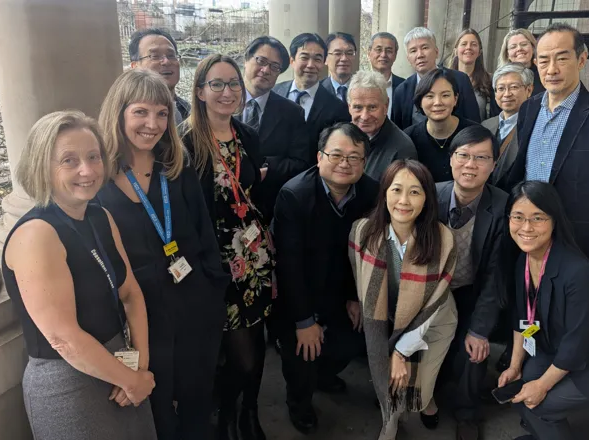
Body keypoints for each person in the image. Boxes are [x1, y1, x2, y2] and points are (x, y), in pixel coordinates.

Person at [2, 110, 157, 440]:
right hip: (68, 381)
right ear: (42, 166)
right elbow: (63, 338)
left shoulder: (100, 217)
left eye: (93, 157)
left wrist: (139, 364)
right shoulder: (37, 234)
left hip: (120, 363)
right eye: (69, 161)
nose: (87, 171)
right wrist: (132, 381)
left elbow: (130, 292)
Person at [96, 69, 230, 440]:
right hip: (140, 314)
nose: (152, 124)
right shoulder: (97, 183)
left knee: (197, 399)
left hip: (193, 303)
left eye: (162, 113)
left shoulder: (177, 166)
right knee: (154, 407)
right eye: (141, 112)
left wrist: (212, 291)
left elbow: (204, 233)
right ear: (119, 114)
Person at [498, 181, 589, 440]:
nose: (526, 228)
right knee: (524, 380)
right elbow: (522, 316)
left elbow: (576, 344)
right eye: (518, 217)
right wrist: (514, 365)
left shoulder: (577, 274)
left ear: (554, 220)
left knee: (538, 403)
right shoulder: (525, 259)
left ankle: (545, 425)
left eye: (538, 218)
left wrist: (543, 386)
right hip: (564, 346)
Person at [181, 54, 275, 440]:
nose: (227, 92)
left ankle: (247, 411)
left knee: (257, 337)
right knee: (238, 350)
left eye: (233, 83)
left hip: (253, 258)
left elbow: (254, 188)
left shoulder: (247, 134)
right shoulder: (183, 143)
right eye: (216, 84)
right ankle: (227, 415)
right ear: (200, 90)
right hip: (215, 264)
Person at [273, 123, 379, 435]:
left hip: (340, 289)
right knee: (302, 354)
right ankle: (299, 402)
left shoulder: (371, 192)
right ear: (319, 157)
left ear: (364, 163)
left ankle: (322, 374)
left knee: (353, 340)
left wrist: (355, 296)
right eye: (336, 154)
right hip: (298, 294)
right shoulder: (294, 195)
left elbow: (365, 251)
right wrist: (304, 321)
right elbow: (288, 265)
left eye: (354, 157)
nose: (345, 163)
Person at [504, 23, 589, 264]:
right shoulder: (529, 109)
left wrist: (585, 227)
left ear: (581, 59)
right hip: (526, 236)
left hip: (574, 242)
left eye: (561, 59)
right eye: (543, 61)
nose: (551, 69)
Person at [349, 159, 458, 440]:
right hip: (388, 318)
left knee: (419, 388)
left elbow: (436, 299)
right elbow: (357, 273)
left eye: (415, 192)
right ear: (384, 192)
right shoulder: (363, 231)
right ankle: (391, 420)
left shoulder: (442, 238)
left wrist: (400, 352)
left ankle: (426, 401)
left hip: (433, 321)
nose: (404, 201)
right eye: (396, 189)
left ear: (427, 198)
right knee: (393, 381)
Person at [435, 125, 508, 440]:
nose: (470, 165)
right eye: (463, 155)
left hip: (471, 294)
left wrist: (480, 330)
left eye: (481, 158)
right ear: (451, 159)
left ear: (493, 165)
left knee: (474, 352)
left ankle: (467, 413)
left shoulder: (504, 209)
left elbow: (495, 278)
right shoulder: (428, 195)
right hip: (429, 294)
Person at [240, 36, 310, 224]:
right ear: (246, 60)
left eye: (274, 66)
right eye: (261, 61)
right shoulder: (222, 102)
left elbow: (301, 162)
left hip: (269, 210)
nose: (266, 70)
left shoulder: (292, 113)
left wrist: (266, 168)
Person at [273, 33, 351, 165]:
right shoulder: (275, 92)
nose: (310, 65)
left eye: (317, 59)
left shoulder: (337, 108)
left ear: (324, 62)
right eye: (304, 57)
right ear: (292, 60)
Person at [392, 27, 481, 130]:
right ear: (408, 58)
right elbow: (399, 131)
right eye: (413, 51)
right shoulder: (402, 91)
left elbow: (473, 123)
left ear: (436, 52)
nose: (420, 55)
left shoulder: (460, 80)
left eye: (425, 48)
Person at [404, 69, 478, 183]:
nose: (438, 102)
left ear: (455, 99)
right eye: (430, 96)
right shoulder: (408, 138)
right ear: (420, 101)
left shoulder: (475, 134)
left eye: (445, 95)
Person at [347, 70, 417, 181]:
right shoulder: (340, 139)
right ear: (349, 107)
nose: (364, 116)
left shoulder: (402, 149)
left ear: (386, 106)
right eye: (358, 107)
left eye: (372, 107)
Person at [482, 63, 534, 189]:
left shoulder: (534, 126)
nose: (506, 94)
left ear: (529, 90)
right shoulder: (486, 125)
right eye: (500, 88)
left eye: (514, 87)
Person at [129, 28, 189, 125]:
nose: (166, 61)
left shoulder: (189, 112)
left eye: (171, 55)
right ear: (135, 66)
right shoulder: (126, 117)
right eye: (155, 56)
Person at [490, 28, 544, 117]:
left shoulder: (544, 75)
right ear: (507, 54)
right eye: (513, 47)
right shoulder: (499, 78)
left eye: (524, 44)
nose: (519, 49)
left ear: (533, 48)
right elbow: (495, 113)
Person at [449, 29, 493, 122]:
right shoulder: (444, 79)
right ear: (456, 51)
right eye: (464, 44)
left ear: (479, 52)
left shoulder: (489, 81)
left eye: (473, 44)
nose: (468, 47)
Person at [367, 32, 405, 118]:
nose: (383, 55)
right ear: (369, 53)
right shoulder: (357, 84)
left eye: (389, 51)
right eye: (378, 50)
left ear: (395, 55)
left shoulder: (405, 86)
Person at [320, 32, 358, 103]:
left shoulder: (365, 89)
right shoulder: (318, 91)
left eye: (349, 53)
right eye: (337, 53)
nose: (344, 58)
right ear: (325, 58)